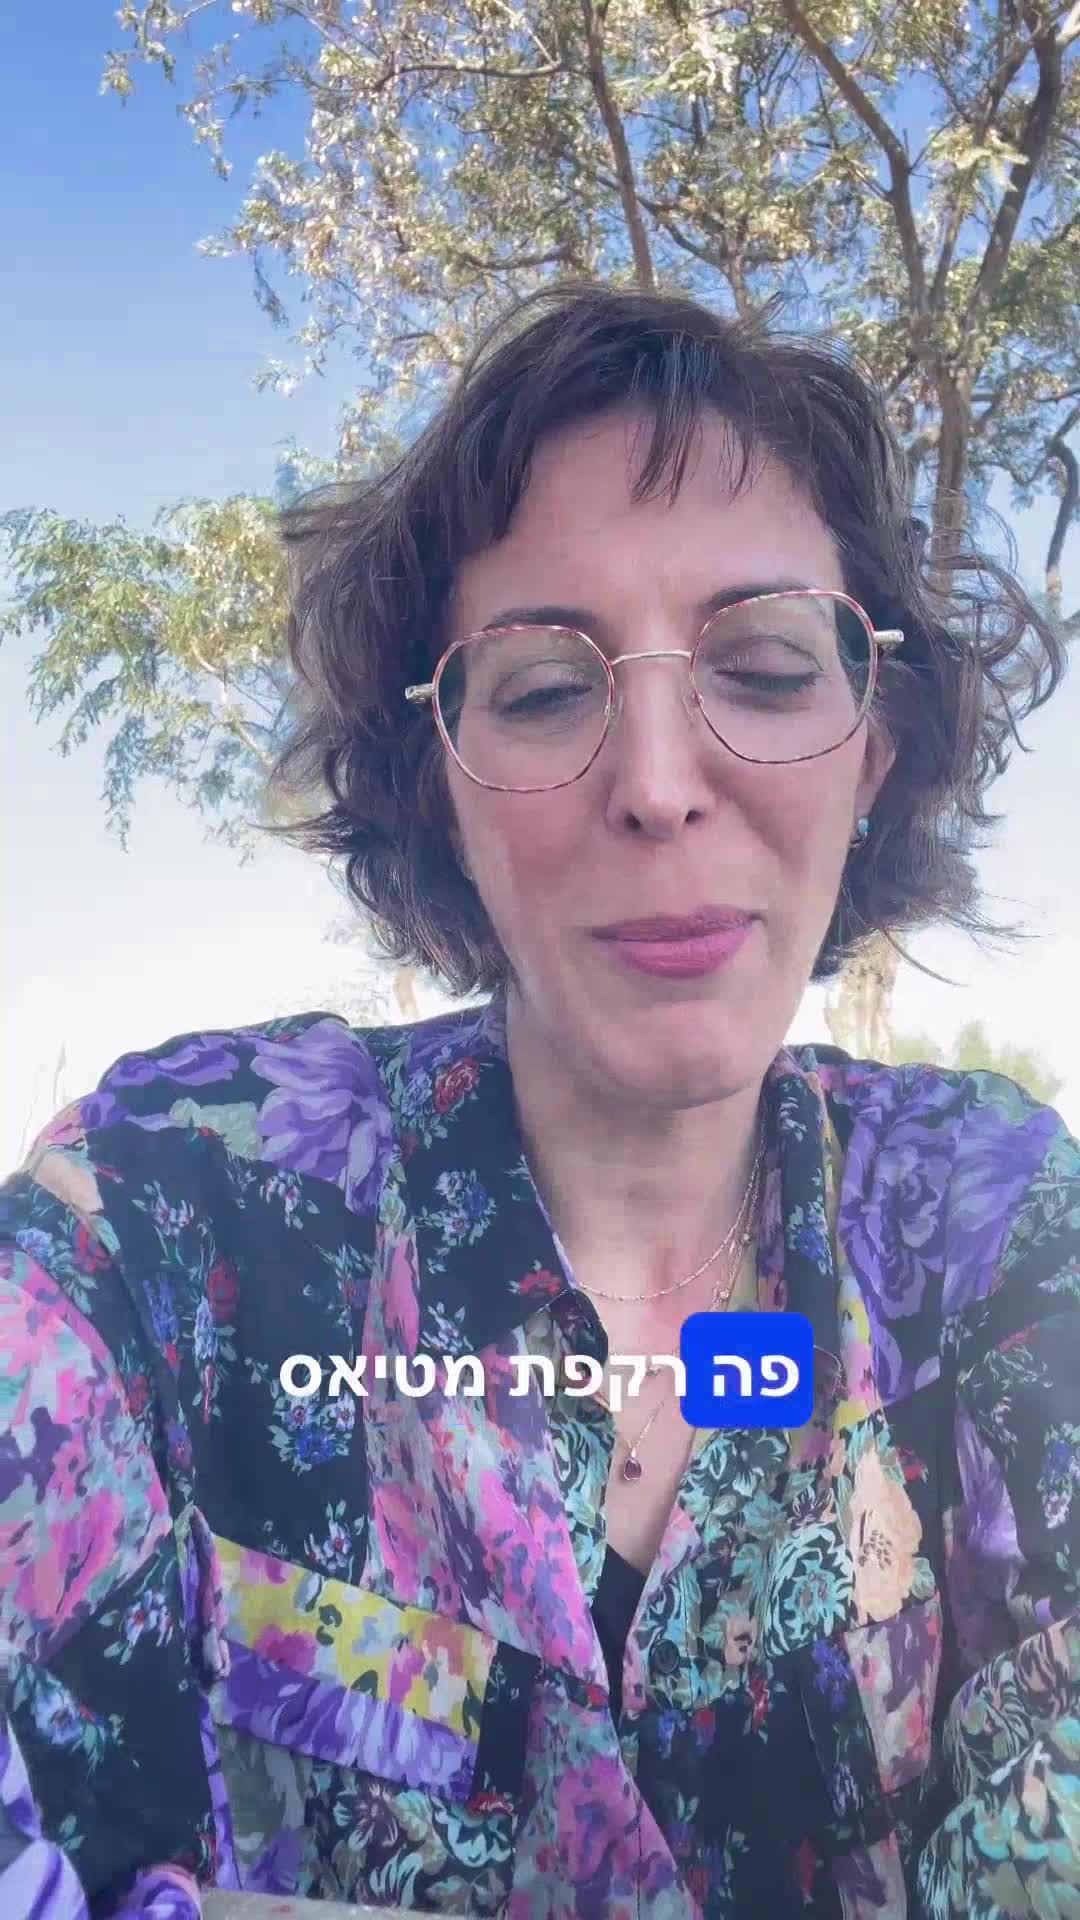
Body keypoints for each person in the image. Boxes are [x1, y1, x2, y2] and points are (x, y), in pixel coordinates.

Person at [2, 278, 1077, 1920]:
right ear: (440, 783)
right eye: (545, 689)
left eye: (765, 667)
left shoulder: (990, 1232)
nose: (655, 783)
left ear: (873, 748)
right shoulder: (180, 1206)